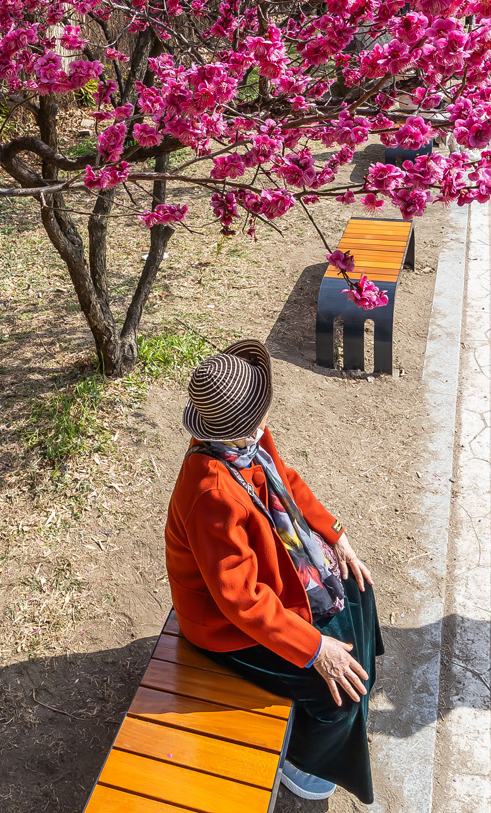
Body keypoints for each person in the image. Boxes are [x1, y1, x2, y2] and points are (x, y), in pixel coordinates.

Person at [165, 340, 383, 803]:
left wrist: (336, 536)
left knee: (357, 590)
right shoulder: (211, 491)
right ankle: (304, 763)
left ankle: (356, 684)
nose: (267, 419)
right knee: (333, 692)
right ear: (238, 430)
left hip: (265, 574)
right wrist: (313, 647)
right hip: (225, 625)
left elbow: (288, 482)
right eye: (260, 412)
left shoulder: (243, 443)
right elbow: (239, 599)